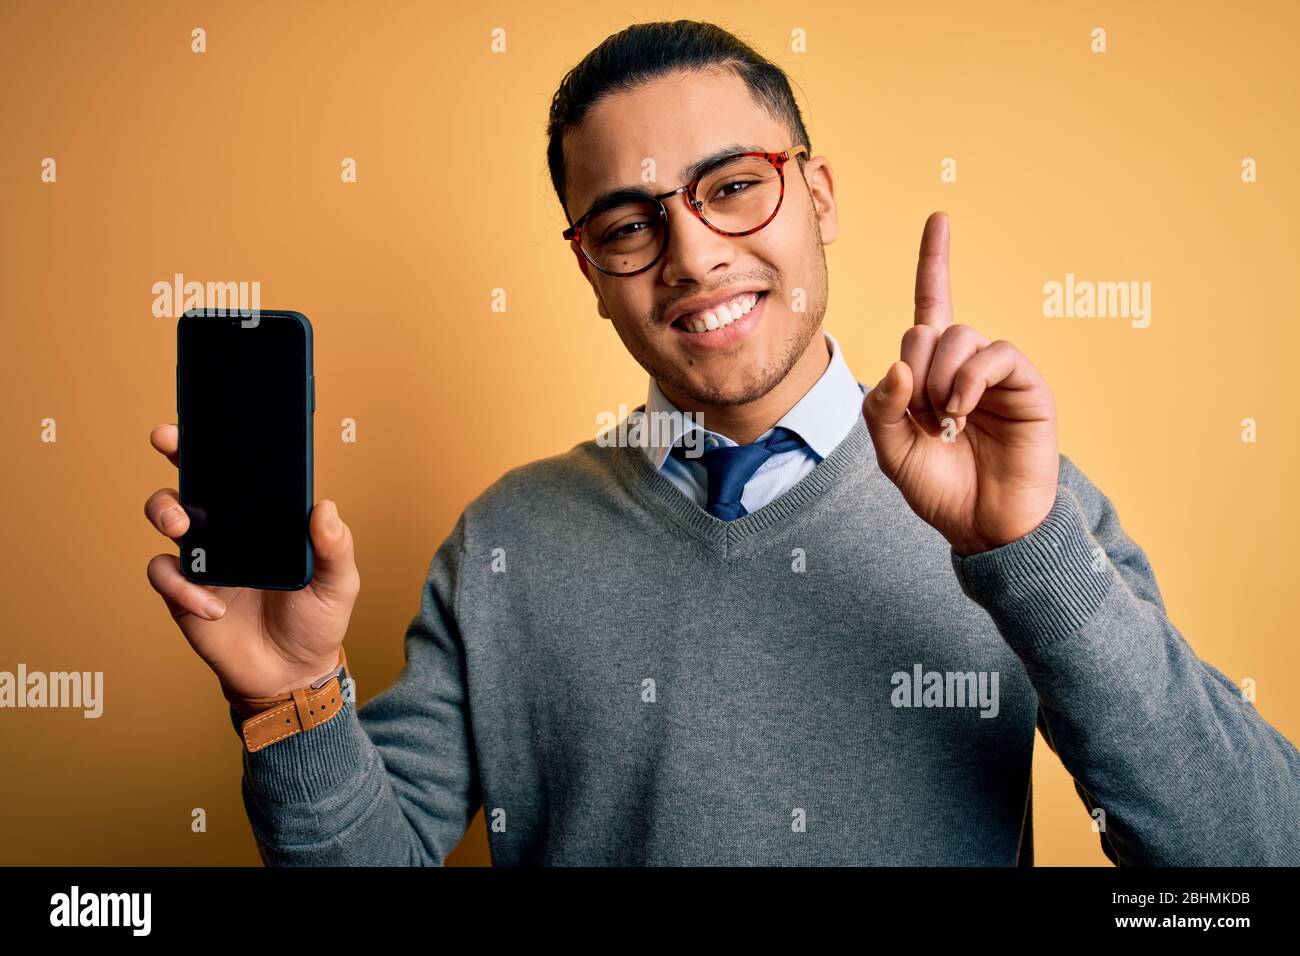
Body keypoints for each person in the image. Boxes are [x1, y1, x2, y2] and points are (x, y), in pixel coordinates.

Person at [143, 20, 1298, 866]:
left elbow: (1249, 852)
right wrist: (293, 696)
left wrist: (1033, 558)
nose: (692, 256)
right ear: (590, 270)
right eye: (630, 223)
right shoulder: (505, 539)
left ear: (821, 197)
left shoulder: (1021, 507)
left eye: (733, 186)